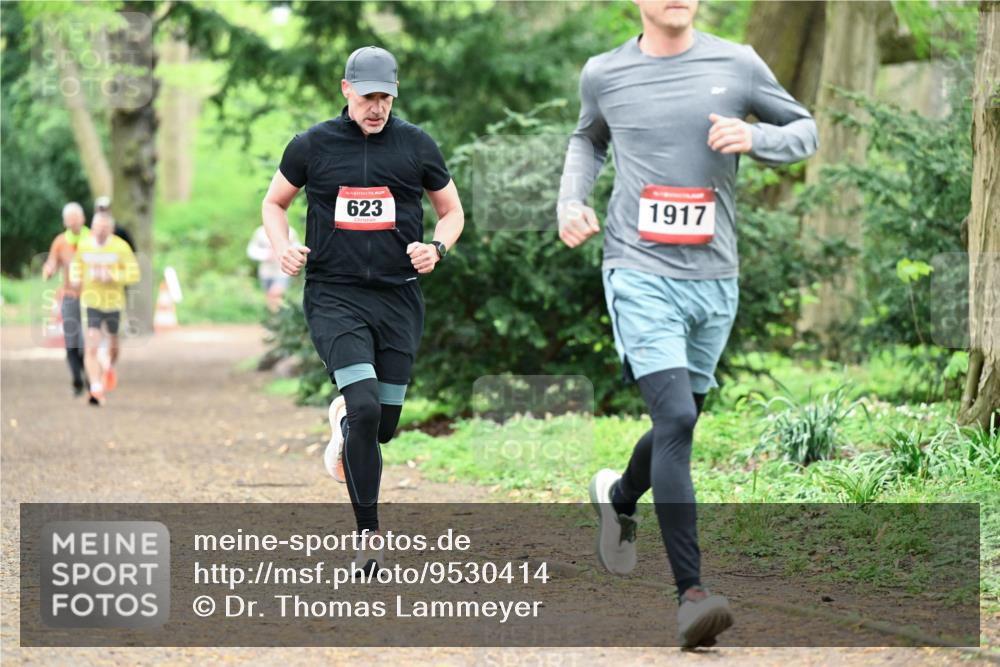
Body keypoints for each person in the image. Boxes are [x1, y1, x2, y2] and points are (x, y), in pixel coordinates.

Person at [557, 0, 818, 649]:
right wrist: (571, 200)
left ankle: (618, 497)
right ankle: (692, 596)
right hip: (638, 270)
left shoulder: (739, 64)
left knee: (681, 419)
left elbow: (805, 130)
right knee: (674, 419)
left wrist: (756, 137)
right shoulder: (605, 72)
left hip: (715, 279)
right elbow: (587, 138)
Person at [261, 46, 464, 573]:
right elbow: (274, 202)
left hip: (398, 297)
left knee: (383, 426)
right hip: (335, 294)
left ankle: (347, 426)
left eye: (386, 97)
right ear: (346, 90)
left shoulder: (416, 145)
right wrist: (282, 246)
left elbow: (451, 211)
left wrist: (436, 248)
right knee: (367, 406)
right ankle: (369, 537)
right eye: (368, 96)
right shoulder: (313, 145)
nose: (377, 107)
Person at [70, 211, 141, 406]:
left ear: (110, 229)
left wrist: (113, 276)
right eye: (96, 228)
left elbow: (134, 274)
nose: (100, 232)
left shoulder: (120, 247)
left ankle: (107, 368)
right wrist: (76, 278)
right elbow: (77, 265)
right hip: (91, 301)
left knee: (113, 346)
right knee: (91, 343)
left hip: (114, 302)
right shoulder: (84, 245)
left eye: (104, 228)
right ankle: (95, 387)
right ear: (92, 228)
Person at [42, 202, 91, 396]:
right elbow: (52, 262)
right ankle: (77, 380)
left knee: (88, 341)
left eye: (75, 217)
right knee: (72, 340)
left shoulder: (93, 239)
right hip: (69, 296)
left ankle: (92, 377)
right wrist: (49, 269)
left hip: (91, 296)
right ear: (64, 221)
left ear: (83, 219)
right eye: (68, 219)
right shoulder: (60, 242)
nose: (72, 222)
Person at [246, 224, 300, 312]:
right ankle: (274, 318)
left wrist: (287, 253)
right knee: (269, 296)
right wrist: (266, 255)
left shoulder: (290, 232)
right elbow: (251, 250)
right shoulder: (260, 232)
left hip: (283, 270)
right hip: (265, 272)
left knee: (275, 293)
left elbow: (297, 246)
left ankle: (278, 318)